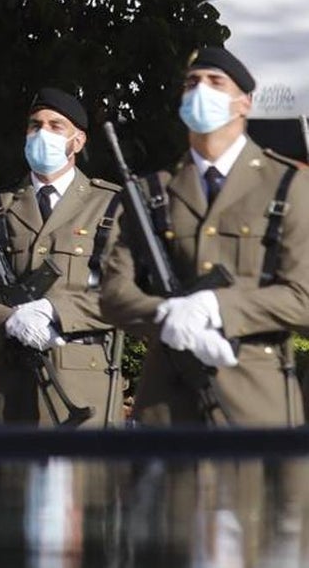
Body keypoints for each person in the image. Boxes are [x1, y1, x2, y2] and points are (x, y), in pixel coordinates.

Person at [102, 47, 309, 426]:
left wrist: (219, 308)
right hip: (166, 405)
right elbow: (114, 294)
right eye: (192, 83)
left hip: (254, 403)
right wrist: (164, 314)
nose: (201, 91)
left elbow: (303, 296)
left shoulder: (288, 185)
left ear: (244, 103)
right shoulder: (153, 192)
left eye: (215, 82)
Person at [0, 88, 124, 427]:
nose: (43, 133)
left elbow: (122, 296)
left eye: (56, 126)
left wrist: (56, 312)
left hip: (80, 391)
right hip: (6, 392)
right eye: (35, 125)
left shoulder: (111, 206)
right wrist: (4, 318)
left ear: (78, 141)